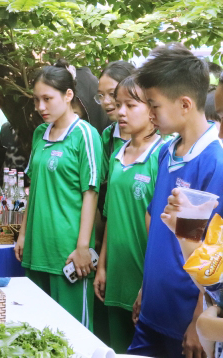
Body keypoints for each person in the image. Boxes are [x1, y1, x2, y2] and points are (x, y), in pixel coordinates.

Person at [127, 44, 223, 358]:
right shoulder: (166, 151)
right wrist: (145, 287)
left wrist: (198, 317)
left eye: (153, 105)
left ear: (184, 104)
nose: (150, 113)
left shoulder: (215, 161)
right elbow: (159, 230)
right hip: (153, 308)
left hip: (187, 322)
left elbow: (213, 251)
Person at [14, 59, 102, 330]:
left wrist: (83, 247)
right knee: (37, 331)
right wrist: (23, 233)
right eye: (36, 100)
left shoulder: (85, 135)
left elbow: (91, 192)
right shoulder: (41, 133)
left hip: (69, 253)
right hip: (37, 248)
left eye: (47, 99)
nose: (40, 107)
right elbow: (35, 187)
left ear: (68, 95)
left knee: (72, 334)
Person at [93, 76, 166, 353]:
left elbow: (162, 231)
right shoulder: (116, 155)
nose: (120, 111)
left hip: (144, 282)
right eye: (118, 103)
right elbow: (111, 215)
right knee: (117, 348)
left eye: (130, 105)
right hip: (115, 277)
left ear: (152, 109)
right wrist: (102, 267)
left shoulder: (162, 155)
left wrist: (146, 287)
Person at [98, 61, 136, 179]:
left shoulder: (161, 138)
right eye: (101, 95)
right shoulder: (108, 135)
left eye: (112, 93)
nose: (106, 101)